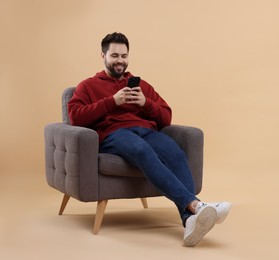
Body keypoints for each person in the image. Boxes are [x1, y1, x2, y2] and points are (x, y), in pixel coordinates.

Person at [67, 32, 231, 247]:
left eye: (124, 56)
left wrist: (145, 103)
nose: (120, 61)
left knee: (175, 153)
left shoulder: (141, 85)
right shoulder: (87, 86)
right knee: (141, 150)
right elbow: (75, 117)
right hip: (114, 134)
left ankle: (189, 220)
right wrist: (111, 102)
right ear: (103, 56)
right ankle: (196, 206)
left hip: (146, 130)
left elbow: (166, 117)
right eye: (114, 55)